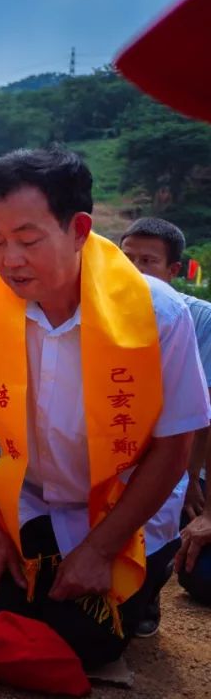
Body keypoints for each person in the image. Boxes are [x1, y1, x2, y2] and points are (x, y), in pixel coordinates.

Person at [0, 148, 210, 667]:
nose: (9, 260)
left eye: (27, 240)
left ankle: (145, 580)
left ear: (80, 229)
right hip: (34, 503)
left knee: (82, 643)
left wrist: (100, 549)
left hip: (122, 516)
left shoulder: (157, 314)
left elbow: (175, 447)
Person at [119, 216, 211, 626]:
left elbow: (200, 415)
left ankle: (152, 583)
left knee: (199, 574)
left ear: (174, 270)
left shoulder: (198, 319)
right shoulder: (95, 307)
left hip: (181, 457)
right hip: (116, 451)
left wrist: (191, 479)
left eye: (148, 261)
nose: (135, 270)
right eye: (126, 258)